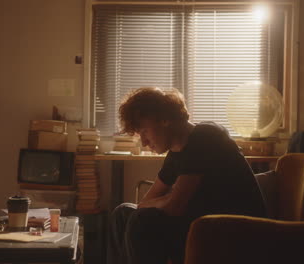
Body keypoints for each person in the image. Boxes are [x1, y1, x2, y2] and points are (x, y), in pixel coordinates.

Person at [107, 87, 267, 264]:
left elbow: (174, 206)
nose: (143, 142)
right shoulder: (176, 151)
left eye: (144, 131)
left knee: (142, 220)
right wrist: (163, 200)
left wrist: (162, 201)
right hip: (202, 224)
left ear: (164, 119)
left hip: (235, 230)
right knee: (122, 213)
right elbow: (148, 201)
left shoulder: (205, 136)